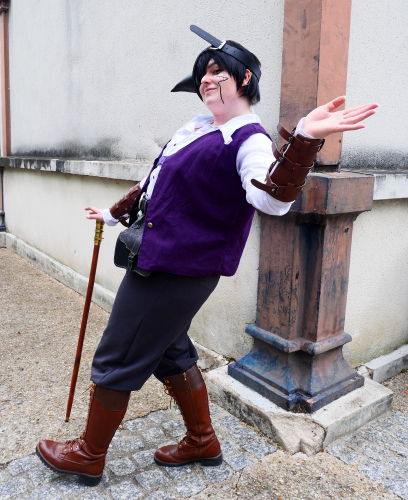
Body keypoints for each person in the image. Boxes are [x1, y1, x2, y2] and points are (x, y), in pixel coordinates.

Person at [36, 26, 377, 486]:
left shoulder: (249, 140)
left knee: (118, 355)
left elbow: (272, 200)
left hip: (178, 270)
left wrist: (304, 139)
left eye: (219, 72)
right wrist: (113, 214)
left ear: (245, 79)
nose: (207, 80)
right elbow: (156, 181)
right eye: (203, 74)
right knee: (170, 351)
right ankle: (202, 441)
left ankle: (89, 455)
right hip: (159, 258)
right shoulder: (198, 127)